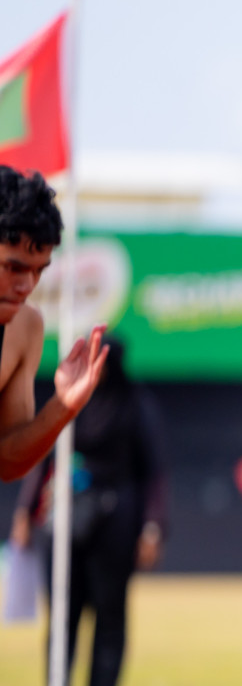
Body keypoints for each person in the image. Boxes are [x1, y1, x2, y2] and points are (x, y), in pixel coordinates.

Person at [15, 336, 169, 686]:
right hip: (65, 515)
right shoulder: (70, 399)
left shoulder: (135, 405)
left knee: (110, 611)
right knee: (62, 610)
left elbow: (153, 471)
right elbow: (41, 454)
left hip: (116, 519)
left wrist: (153, 526)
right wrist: (25, 511)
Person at [0, 164, 109, 482]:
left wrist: (63, 406)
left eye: (38, 271)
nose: (27, 285)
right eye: (13, 268)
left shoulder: (25, 326)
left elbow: (7, 463)